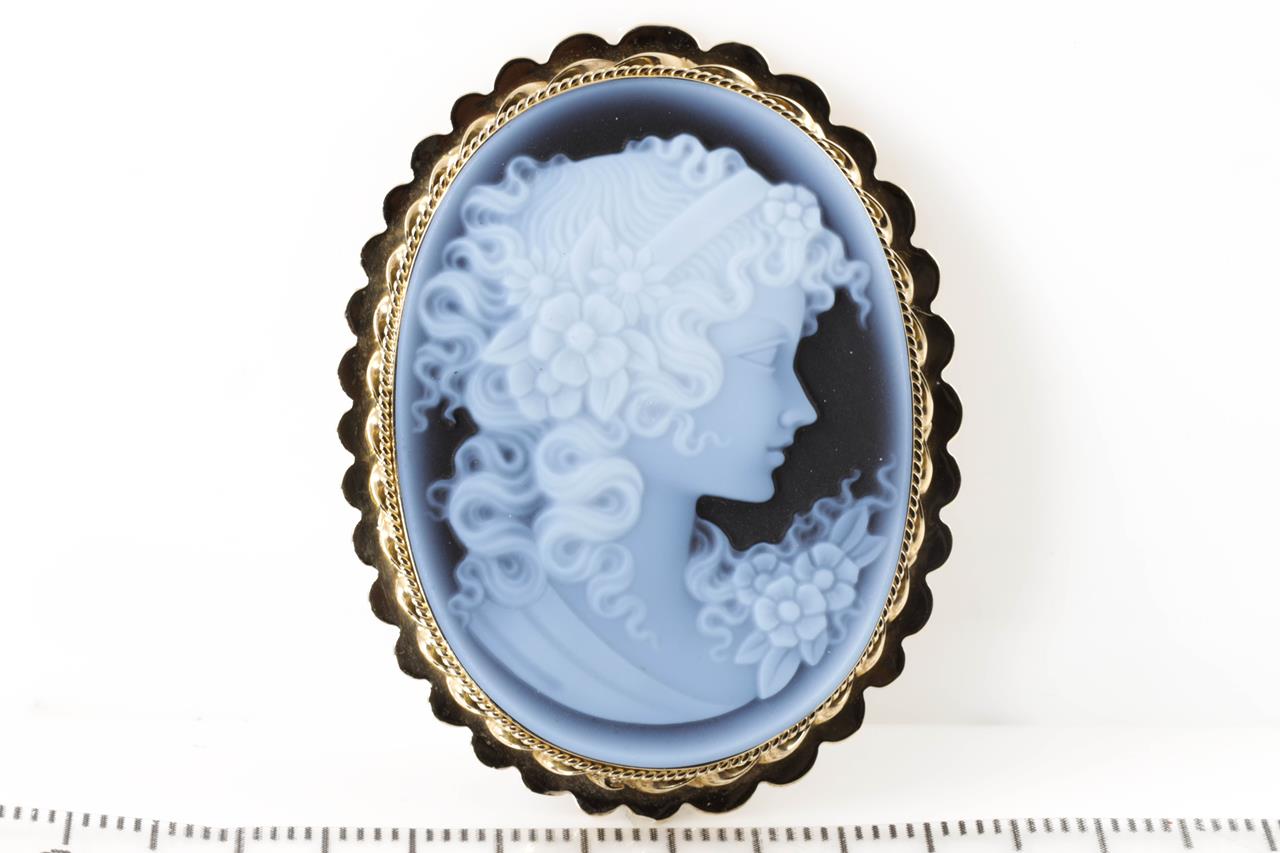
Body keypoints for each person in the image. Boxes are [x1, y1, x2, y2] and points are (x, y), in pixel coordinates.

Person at [408, 134, 897, 724]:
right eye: (765, 357)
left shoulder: (758, 625)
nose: (803, 409)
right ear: (632, 364)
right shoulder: (516, 651)